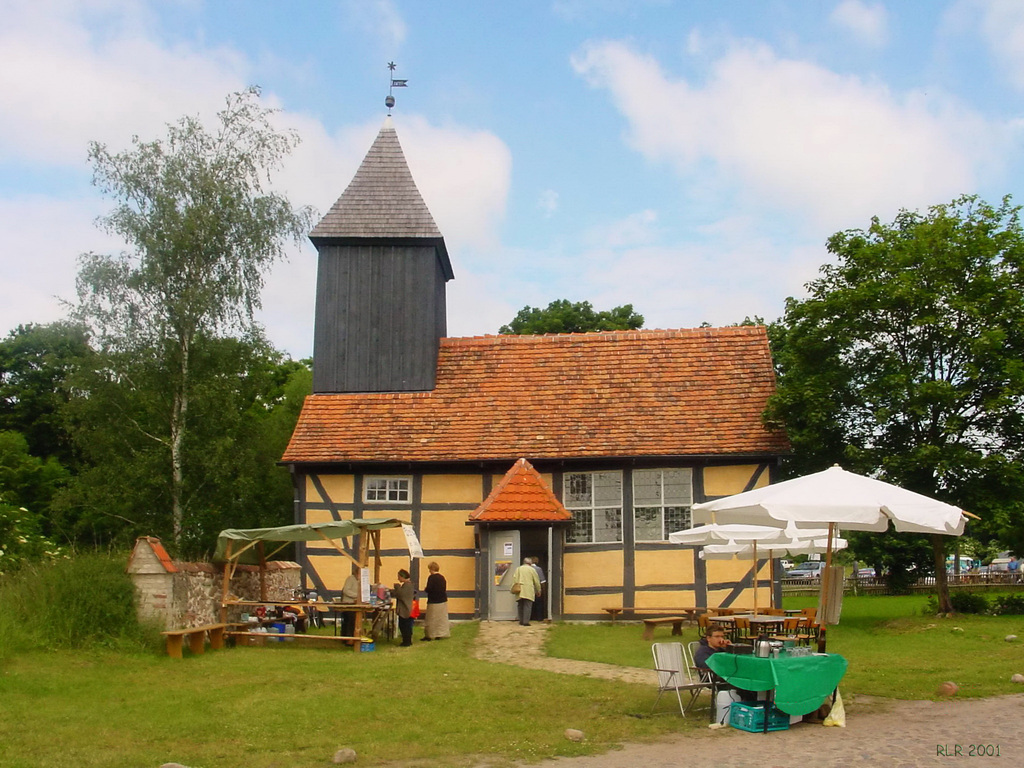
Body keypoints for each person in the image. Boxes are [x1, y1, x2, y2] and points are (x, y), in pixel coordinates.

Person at [422, 561, 450, 641]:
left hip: (433, 601)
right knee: (441, 618)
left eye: (429, 569)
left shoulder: (432, 578)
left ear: (431, 569)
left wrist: (426, 589)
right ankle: (440, 634)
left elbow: (429, 588)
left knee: (431, 619)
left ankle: (430, 635)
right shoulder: (442, 577)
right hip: (442, 600)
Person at [512, 557, 542, 626]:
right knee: (527, 606)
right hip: (528, 589)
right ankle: (526, 621)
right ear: (530, 563)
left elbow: (515, 579)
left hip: (519, 589)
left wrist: (513, 588)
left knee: (520, 605)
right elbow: (536, 581)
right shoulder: (532, 570)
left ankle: (521, 620)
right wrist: (538, 590)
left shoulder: (518, 569)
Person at [393, 568, 415, 647]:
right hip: (405, 608)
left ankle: (407, 641)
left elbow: (401, 595)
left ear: (402, 577)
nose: (398, 578)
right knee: (404, 625)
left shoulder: (407, 585)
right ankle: (406, 640)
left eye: (399, 576)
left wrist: (397, 587)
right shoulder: (408, 585)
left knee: (404, 626)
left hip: (405, 609)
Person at [340, 564, 360, 638]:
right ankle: (347, 638)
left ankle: (351, 637)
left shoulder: (358, 581)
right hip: (348, 604)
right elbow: (346, 590)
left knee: (353, 622)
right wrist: (357, 595)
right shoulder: (350, 579)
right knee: (349, 621)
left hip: (354, 605)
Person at [529, 557, 547, 622]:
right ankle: (539, 618)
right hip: (536, 588)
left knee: (529, 604)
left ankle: (530, 617)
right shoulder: (538, 569)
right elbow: (542, 580)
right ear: (537, 561)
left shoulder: (526, 569)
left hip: (528, 589)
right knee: (538, 604)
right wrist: (543, 590)